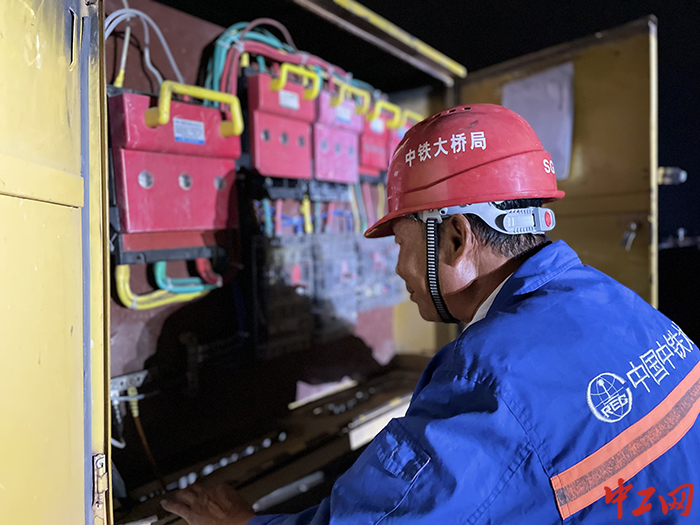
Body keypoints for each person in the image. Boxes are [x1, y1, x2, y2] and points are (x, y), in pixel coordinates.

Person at [163, 104, 700, 524]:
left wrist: (242, 522)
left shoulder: (487, 376)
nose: (399, 269)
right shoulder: (619, 302)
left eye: (401, 244)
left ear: (456, 238)